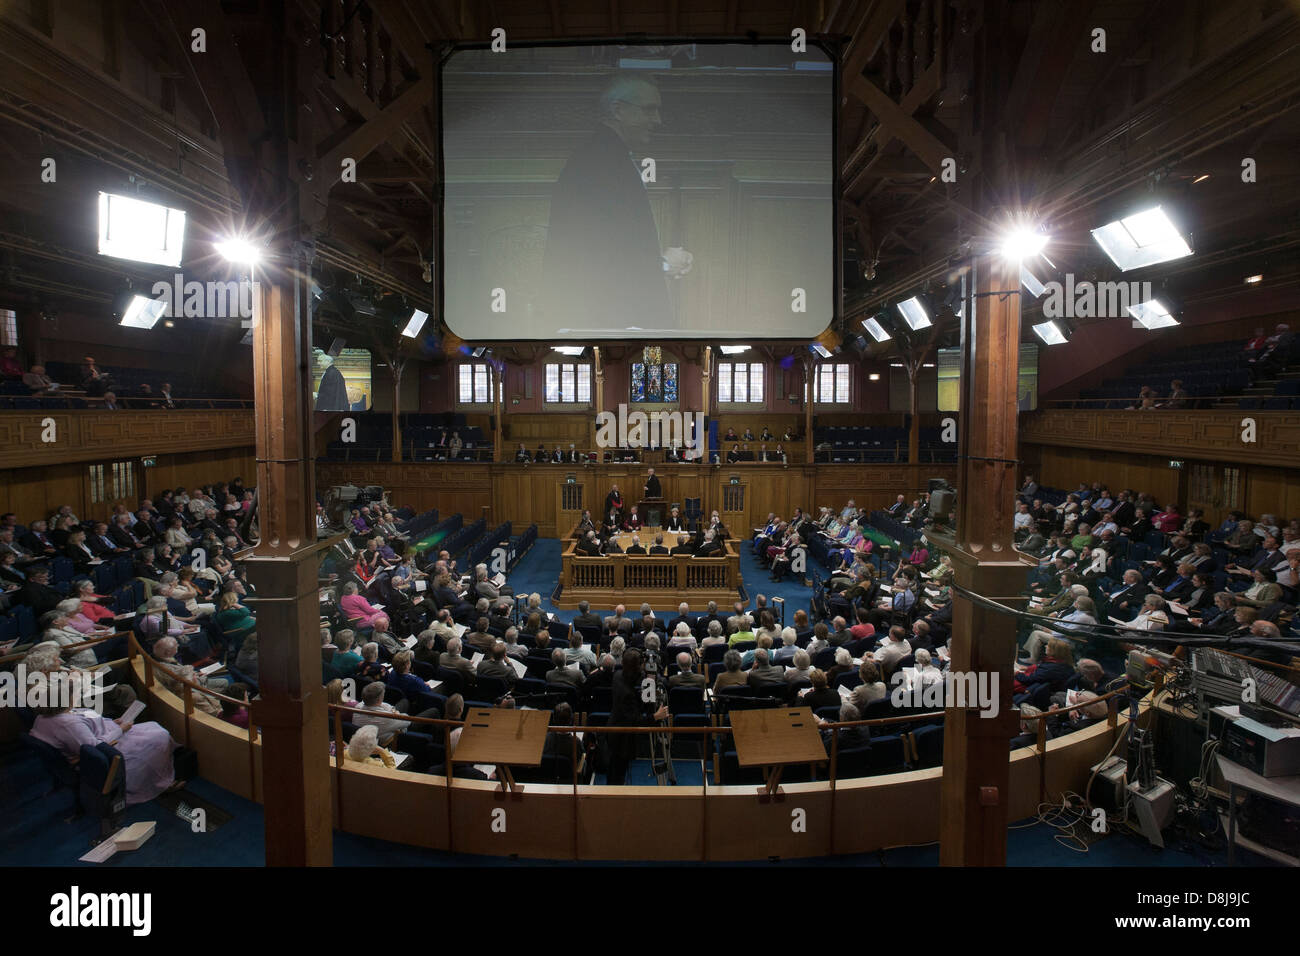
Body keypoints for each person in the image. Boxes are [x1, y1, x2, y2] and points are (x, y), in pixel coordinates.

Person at [31, 701, 179, 805]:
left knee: (153, 727)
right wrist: (121, 730)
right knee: (160, 735)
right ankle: (162, 783)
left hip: (107, 735)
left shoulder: (42, 717)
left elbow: (88, 729)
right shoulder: (69, 724)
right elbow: (95, 748)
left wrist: (112, 723)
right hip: (108, 752)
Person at [606, 649, 669, 784]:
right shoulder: (627, 693)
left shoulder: (617, 675)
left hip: (615, 726)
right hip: (621, 736)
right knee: (617, 772)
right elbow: (635, 719)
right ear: (638, 666)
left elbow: (641, 696)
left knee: (615, 768)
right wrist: (655, 717)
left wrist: (648, 683)